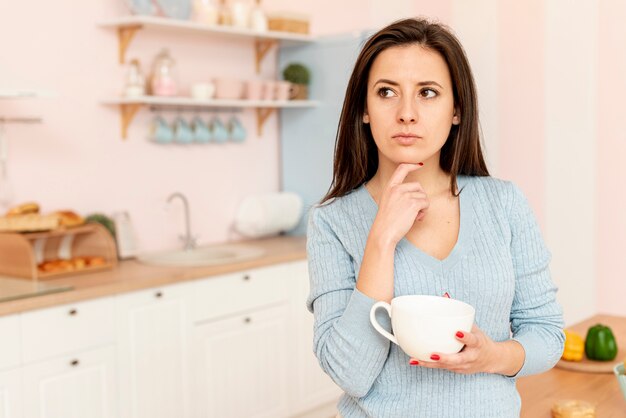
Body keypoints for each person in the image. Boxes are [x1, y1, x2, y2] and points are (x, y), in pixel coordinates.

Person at [305, 17, 565, 418]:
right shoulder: (332, 222)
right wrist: (381, 240)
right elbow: (350, 374)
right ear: (365, 110)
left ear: (457, 110)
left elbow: (547, 334)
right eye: (387, 92)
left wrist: (491, 356)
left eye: (428, 92)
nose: (407, 113)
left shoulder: (504, 204)